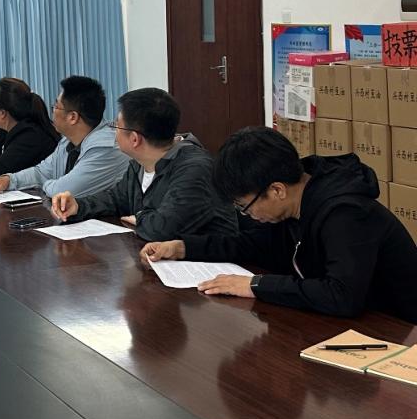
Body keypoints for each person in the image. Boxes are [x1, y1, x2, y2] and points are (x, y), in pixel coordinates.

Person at [141, 126, 417, 323]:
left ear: (276, 190)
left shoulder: (346, 213)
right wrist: (183, 247)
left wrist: (255, 285)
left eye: (244, 206)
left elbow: (341, 296)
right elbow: (254, 246)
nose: (247, 215)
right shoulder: (294, 204)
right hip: (343, 324)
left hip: (397, 330)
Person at [51, 87, 236, 241]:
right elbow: (116, 199)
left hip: (207, 268)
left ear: (134, 139)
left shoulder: (195, 169)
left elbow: (163, 229)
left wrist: (140, 217)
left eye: (116, 126)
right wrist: (79, 205)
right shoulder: (139, 164)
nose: (113, 132)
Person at [0, 75, 127, 198]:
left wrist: (49, 183)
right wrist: (8, 180)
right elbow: (41, 172)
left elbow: (62, 191)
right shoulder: (68, 141)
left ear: (73, 117)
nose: (53, 112)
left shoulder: (106, 148)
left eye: (56, 107)